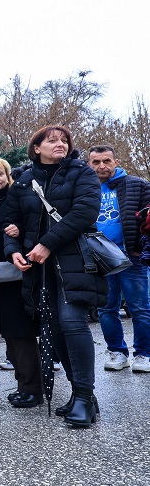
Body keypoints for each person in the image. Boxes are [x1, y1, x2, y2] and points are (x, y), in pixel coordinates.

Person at [6, 126, 107, 427]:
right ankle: (81, 394)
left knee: (73, 322)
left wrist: (46, 244)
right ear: (36, 147)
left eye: (64, 140)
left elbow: (84, 213)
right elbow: (12, 222)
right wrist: (13, 249)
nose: (60, 144)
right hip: (39, 267)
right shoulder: (23, 181)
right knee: (55, 328)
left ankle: (85, 397)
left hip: (74, 260)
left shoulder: (81, 173)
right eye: (52, 140)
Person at [0, 158, 42, 408]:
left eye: (0, 173)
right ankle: (24, 385)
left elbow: (37, 227)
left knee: (21, 334)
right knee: (9, 335)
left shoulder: (19, 200)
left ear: (8, 176)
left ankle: (33, 389)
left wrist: (20, 232)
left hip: (18, 276)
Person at [87, 145, 150, 373]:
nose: (101, 166)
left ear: (116, 161)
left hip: (130, 256)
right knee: (106, 309)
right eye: (96, 162)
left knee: (140, 308)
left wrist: (142, 248)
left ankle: (144, 354)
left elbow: (148, 218)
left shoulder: (137, 184)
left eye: (106, 161)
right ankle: (117, 352)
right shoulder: (85, 187)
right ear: (89, 163)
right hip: (100, 258)